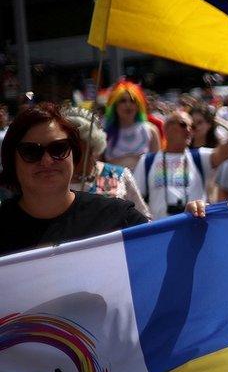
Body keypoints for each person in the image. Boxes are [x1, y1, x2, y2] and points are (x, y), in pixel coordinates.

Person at [0, 103, 147, 257]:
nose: (47, 160)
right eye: (31, 152)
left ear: (74, 155)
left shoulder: (120, 218)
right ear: (11, 161)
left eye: (58, 148)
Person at [63, 107, 150, 219]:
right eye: (64, 143)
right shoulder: (54, 178)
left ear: (92, 143)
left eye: (77, 142)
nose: (71, 148)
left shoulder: (119, 175)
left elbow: (144, 218)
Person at [134, 110, 218, 220]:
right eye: (183, 124)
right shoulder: (146, 161)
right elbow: (135, 200)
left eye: (192, 127)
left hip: (194, 228)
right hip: (160, 231)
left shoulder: (199, 156)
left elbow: (224, 152)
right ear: (166, 128)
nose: (188, 130)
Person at [103, 80, 161, 171]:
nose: (128, 105)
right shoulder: (104, 134)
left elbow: (158, 166)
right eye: (123, 101)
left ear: (138, 105)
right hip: (115, 184)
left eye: (133, 101)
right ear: (114, 106)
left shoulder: (150, 130)